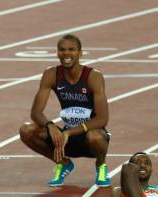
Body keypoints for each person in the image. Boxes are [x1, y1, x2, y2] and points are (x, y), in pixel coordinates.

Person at [19, 34, 111, 187]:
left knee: (95, 137)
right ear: (57, 53)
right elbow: (36, 112)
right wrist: (51, 126)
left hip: (91, 136)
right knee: (27, 130)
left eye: (71, 50)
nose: (66, 53)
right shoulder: (51, 74)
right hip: (65, 138)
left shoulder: (93, 77)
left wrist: (68, 132)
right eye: (62, 50)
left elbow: (102, 119)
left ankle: (101, 166)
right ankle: (63, 163)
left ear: (80, 53)